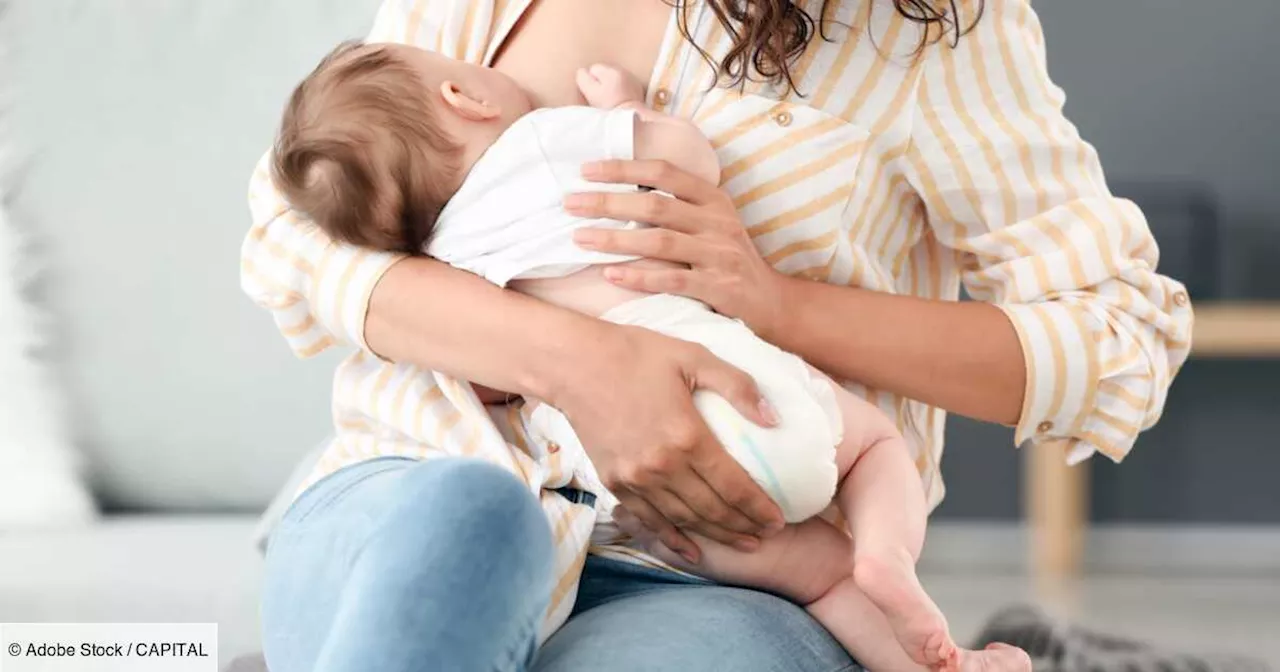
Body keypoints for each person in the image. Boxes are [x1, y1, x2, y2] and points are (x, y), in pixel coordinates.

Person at [242, 1, 1193, 671]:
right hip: (409, 476)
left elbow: (1118, 340)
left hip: (714, 573)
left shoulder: (923, 32)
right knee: (467, 522)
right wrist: (582, 363)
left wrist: (776, 304)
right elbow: (291, 236)